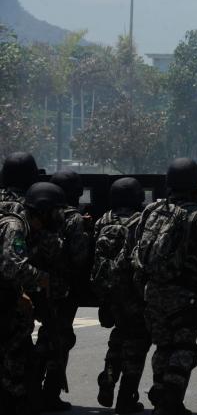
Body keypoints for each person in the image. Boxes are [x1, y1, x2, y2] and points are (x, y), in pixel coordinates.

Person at [133, 158, 197, 415]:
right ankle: (170, 399)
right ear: (196, 186)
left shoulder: (151, 211)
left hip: (153, 292)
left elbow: (137, 247)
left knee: (163, 347)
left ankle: (162, 395)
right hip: (185, 296)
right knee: (183, 348)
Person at [31, 170, 91, 411]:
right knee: (59, 340)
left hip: (37, 285)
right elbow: (78, 257)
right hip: (62, 289)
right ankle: (50, 394)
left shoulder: (36, 213)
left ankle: (31, 387)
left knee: (47, 335)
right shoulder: (74, 218)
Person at [0, 182, 60, 415]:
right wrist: (41, 278)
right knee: (16, 346)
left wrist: (20, 292)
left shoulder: (14, 223)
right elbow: (12, 266)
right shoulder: (15, 227)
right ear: (42, 213)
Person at [91, 177, 149, 414]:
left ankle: (108, 375)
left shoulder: (103, 220)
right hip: (133, 292)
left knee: (118, 336)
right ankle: (126, 397)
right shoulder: (140, 221)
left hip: (107, 291)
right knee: (138, 342)